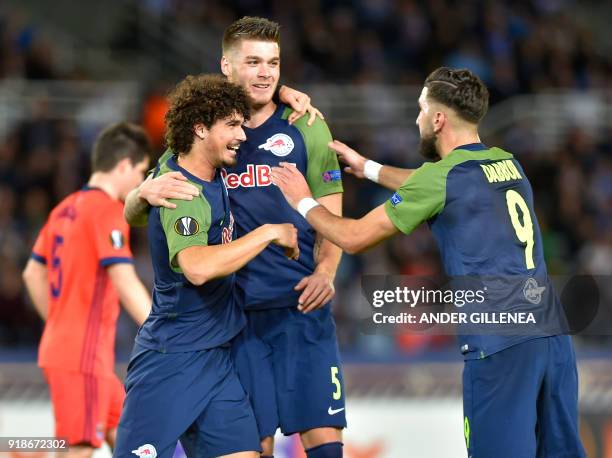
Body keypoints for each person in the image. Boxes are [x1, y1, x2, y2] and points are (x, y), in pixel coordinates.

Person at [271, 67, 586, 458]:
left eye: (421, 109)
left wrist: (302, 199)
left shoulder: (442, 179)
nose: (417, 117)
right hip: (552, 335)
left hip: (501, 343)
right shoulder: (505, 162)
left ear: (438, 119)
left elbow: (353, 237)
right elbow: (435, 184)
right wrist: (368, 167)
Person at [125, 17, 346, 458]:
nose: (265, 73)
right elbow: (148, 203)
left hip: (299, 305)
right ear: (226, 66)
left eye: (274, 63)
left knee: (324, 439)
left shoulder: (307, 125)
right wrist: (138, 192)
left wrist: (326, 270)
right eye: (253, 62)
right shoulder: (210, 130)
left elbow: (332, 210)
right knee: (254, 444)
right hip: (237, 317)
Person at [114, 74, 300, 458]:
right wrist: (267, 233)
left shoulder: (192, 168)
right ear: (200, 128)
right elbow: (196, 267)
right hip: (171, 360)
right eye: (232, 125)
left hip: (217, 357)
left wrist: (138, 194)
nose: (243, 136)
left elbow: (134, 214)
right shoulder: (183, 193)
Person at [22, 122, 153, 457]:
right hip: (83, 355)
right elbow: (124, 279)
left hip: (75, 352)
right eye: (140, 172)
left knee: (133, 439)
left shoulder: (63, 208)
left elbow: (32, 273)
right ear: (124, 165)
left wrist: (59, 323)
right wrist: (161, 330)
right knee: (79, 449)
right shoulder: (107, 210)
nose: (139, 183)